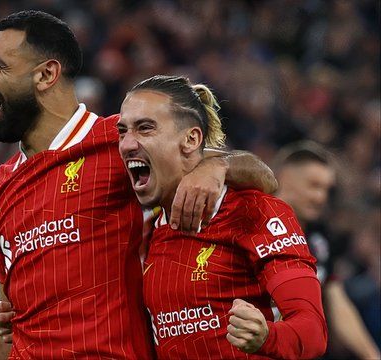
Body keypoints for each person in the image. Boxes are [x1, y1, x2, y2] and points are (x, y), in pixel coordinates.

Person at [0, 11, 277, 359]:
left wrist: (214, 167)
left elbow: (263, 176)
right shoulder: (0, 187)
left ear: (46, 74)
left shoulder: (121, 141)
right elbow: (6, 324)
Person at [118, 75, 327, 359]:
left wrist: (267, 335)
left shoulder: (253, 211)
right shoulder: (148, 228)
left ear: (191, 139)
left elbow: (312, 333)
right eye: (123, 131)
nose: (128, 143)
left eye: (145, 128)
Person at [274, 141, 380, 359]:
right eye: (313, 186)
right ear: (285, 178)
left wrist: (371, 355)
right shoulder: (253, 226)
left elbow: (336, 300)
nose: (321, 197)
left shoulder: (319, 238)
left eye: (326, 189)